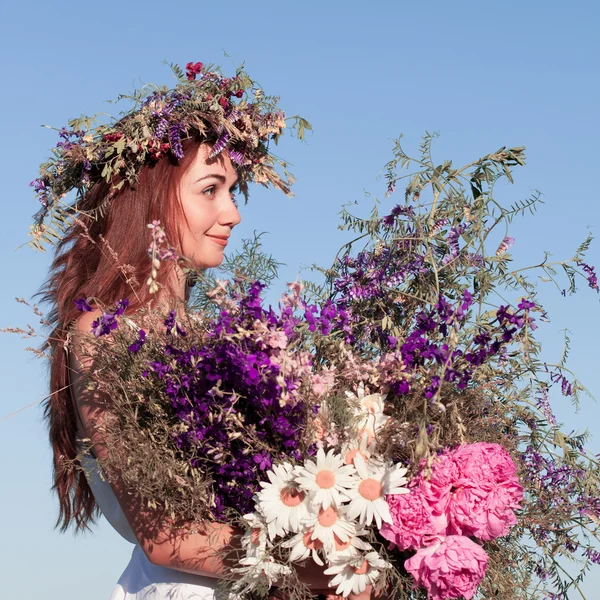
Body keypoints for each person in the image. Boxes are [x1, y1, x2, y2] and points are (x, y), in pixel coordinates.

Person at [32, 61, 370, 600]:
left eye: (233, 191)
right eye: (210, 189)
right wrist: (331, 570)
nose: (232, 213)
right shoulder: (104, 335)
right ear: (148, 199)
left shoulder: (221, 342)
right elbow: (166, 537)